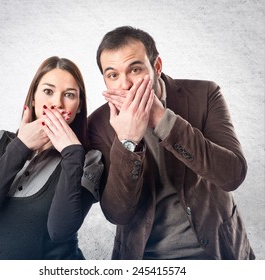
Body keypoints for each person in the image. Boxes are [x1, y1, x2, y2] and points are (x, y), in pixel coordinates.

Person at [88, 26, 255, 260]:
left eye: (135, 69)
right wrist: (128, 143)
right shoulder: (98, 124)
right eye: (113, 75)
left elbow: (232, 175)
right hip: (145, 257)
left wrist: (162, 119)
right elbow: (118, 214)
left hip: (219, 250)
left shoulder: (205, 94)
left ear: (156, 67)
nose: (124, 85)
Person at [0, 56, 103, 260]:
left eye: (69, 95)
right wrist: (21, 146)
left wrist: (72, 153)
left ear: (78, 106)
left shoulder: (88, 160)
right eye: (48, 91)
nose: (57, 103)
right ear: (33, 98)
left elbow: (59, 231)